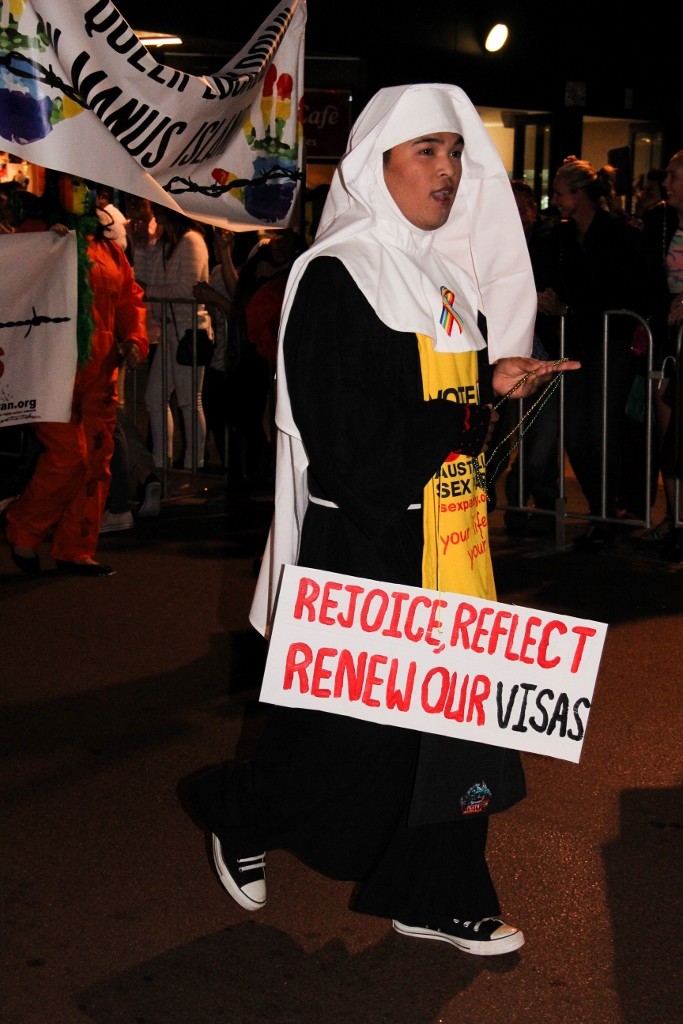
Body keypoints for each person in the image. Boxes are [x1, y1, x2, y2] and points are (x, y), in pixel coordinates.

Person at [183, 84, 579, 956]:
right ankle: (237, 808)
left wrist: (492, 381)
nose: (447, 171)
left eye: (454, 153)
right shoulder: (333, 274)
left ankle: (439, 893)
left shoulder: (444, 272)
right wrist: (465, 411)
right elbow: (350, 440)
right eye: (426, 153)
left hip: (447, 536)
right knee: (347, 743)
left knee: (455, 724)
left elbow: (436, 406)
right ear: (375, 166)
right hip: (364, 540)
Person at [4, 171, 149, 576]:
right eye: (79, 185)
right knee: (70, 455)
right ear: (59, 187)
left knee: (97, 461)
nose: (89, 194)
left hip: (101, 372)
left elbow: (129, 299)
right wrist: (42, 247)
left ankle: (75, 547)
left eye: (93, 187)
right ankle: (23, 528)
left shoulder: (107, 248)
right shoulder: (38, 234)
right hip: (50, 366)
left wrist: (135, 340)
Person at [540, 157, 648, 550]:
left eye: (559, 192)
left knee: (603, 430)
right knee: (576, 432)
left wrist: (572, 308)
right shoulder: (562, 237)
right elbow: (551, 277)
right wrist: (552, 300)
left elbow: (624, 290)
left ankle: (606, 514)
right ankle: (602, 510)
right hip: (576, 343)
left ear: (579, 194)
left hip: (610, 342)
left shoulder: (618, 235)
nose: (554, 200)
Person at [502, 180, 562, 535]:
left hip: (543, 356)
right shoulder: (493, 245)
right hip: (510, 357)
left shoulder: (546, 245)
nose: (523, 214)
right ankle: (513, 499)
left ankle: (532, 498)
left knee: (544, 435)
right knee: (510, 435)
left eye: (526, 207)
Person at [143, 205, 212, 471]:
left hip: (187, 329)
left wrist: (151, 291)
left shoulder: (192, 241)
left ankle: (194, 463)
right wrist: (143, 244)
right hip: (171, 327)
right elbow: (147, 276)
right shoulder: (168, 243)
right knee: (155, 396)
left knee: (188, 400)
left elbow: (189, 288)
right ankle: (164, 462)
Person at [642, 150, 683, 561]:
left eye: (673, 176)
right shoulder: (661, 221)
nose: (665, 183)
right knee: (670, 436)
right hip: (668, 339)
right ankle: (676, 519)